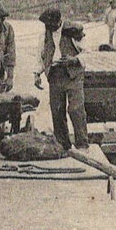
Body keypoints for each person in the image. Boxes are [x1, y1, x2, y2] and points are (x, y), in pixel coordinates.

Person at [35, 8, 88, 150]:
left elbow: (87, 53)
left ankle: (82, 144)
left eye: (51, 24)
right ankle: (63, 144)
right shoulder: (44, 35)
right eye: (47, 25)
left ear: (59, 21)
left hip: (73, 74)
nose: (49, 27)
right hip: (55, 75)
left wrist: (74, 59)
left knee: (75, 109)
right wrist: (37, 73)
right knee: (57, 110)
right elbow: (41, 55)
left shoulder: (73, 31)